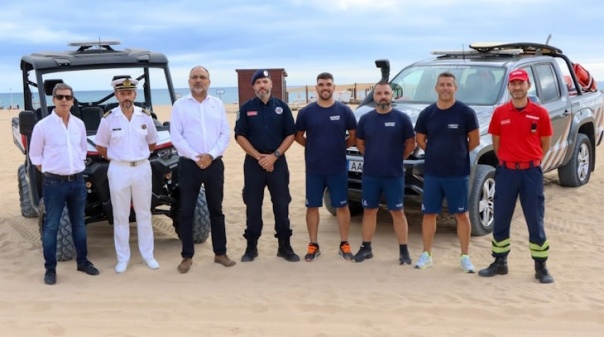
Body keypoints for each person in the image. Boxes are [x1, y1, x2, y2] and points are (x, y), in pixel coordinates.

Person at [478, 69, 554, 284]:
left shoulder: (540, 113)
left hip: (531, 172)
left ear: (528, 85)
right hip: (506, 172)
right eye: (513, 84)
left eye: (521, 83)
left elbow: (545, 143)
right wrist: (508, 159)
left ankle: (541, 266)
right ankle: (499, 262)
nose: (517, 87)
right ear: (508, 87)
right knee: (501, 217)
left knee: (535, 219)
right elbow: (496, 142)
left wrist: (531, 158)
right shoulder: (500, 113)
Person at [29, 83, 100, 285]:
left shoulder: (78, 124)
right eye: (60, 97)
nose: (64, 101)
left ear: (72, 100)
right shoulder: (42, 126)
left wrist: (74, 167)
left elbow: (82, 150)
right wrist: (53, 172)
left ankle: (83, 262)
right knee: (51, 226)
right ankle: (50, 269)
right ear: (53, 100)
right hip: (54, 183)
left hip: (77, 182)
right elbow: (35, 156)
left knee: (79, 223)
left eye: (68, 97)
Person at [170, 66, 235, 273]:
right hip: (189, 165)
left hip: (214, 164)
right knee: (187, 211)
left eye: (203, 77)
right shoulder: (180, 105)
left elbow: (225, 134)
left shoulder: (217, 104)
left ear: (209, 81)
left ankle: (220, 253)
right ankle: (187, 256)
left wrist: (210, 155)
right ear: (189, 81)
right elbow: (176, 136)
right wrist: (196, 157)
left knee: (216, 210)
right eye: (195, 77)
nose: (199, 81)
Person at [413, 71, 480, 272]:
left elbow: (474, 141)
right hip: (433, 173)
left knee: (461, 215)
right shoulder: (427, 114)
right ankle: (427, 254)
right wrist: (435, 152)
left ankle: (465, 256)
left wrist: (456, 153)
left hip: (458, 173)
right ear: (436, 88)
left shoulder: (466, 113)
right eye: (441, 84)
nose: (445, 88)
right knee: (429, 214)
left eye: (449, 85)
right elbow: (420, 140)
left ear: (455, 88)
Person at [95, 77, 160, 274]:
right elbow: (101, 146)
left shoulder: (145, 116)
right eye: (122, 93)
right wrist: (119, 159)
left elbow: (152, 142)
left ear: (135, 94)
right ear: (116, 95)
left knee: (144, 214)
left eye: (129, 93)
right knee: (121, 216)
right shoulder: (108, 119)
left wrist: (137, 156)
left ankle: (148, 255)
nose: (126, 97)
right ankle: (123, 258)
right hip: (119, 169)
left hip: (141, 168)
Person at [234, 69, 299, 263]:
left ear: (271, 84)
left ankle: (284, 246)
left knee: (281, 204)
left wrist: (274, 156)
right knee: (253, 205)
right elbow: (239, 135)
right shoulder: (246, 108)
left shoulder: (282, 107)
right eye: (258, 82)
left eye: (265, 81)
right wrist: (259, 157)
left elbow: (291, 134)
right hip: (253, 163)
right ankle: (251, 247)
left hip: (278, 163)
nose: (262, 85)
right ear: (253, 86)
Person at [294, 72, 357, 262]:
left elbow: (353, 136)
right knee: (312, 206)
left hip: (337, 168)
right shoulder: (306, 112)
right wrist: (313, 146)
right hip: (314, 168)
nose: (325, 88)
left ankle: (344, 243)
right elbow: (298, 136)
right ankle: (313, 244)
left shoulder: (344, 111)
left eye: (328, 84)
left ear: (334, 87)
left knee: (342, 206)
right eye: (321, 85)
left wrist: (339, 146)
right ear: (316, 88)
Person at [352, 80, 416, 264]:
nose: (382, 97)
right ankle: (366, 248)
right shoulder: (366, 119)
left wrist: (396, 158)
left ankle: (404, 251)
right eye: (379, 93)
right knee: (369, 211)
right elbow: (360, 143)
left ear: (392, 96)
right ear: (374, 96)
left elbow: (410, 144)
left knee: (397, 211)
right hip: (371, 174)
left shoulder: (401, 118)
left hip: (394, 174)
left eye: (386, 93)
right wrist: (373, 156)